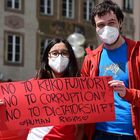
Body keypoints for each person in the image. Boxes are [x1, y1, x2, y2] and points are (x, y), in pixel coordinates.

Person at [81, 0, 140, 140]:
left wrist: (128, 93)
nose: (106, 28)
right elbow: (82, 96)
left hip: (131, 134)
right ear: (95, 28)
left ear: (120, 23)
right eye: (100, 25)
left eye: (111, 22)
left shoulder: (137, 54)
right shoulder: (90, 58)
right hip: (99, 133)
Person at [27, 37, 84, 140]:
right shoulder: (33, 85)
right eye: (55, 53)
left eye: (64, 53)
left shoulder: (79, 87)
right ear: (47, 56)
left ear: (70, 57)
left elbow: (81, 128)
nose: (59, 57)